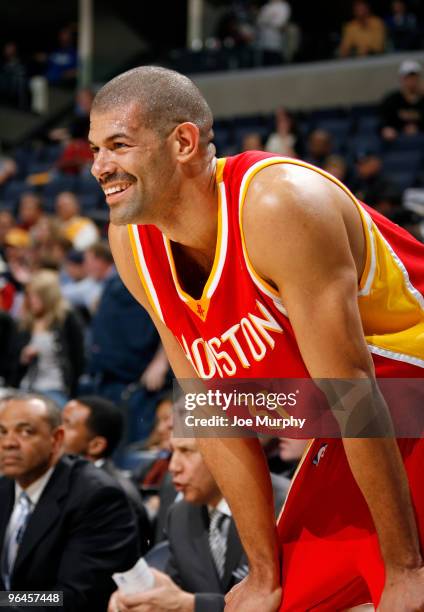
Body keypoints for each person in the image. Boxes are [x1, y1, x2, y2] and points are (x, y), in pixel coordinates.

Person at [89, 66, 424, 611]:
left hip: (402, 394)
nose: (100, 167)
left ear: (182, 141)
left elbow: (353, 390)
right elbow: (210, 408)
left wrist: (406, 568)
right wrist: (264, 575)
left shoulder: (278, 203)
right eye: (95, 149)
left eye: (118, 145)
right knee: (284, 600)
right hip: (353, 426)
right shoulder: (130, 242)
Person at [0, 392, 139, 611]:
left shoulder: (96, 496)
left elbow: (73, 597)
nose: (8, 443)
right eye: (2, 432)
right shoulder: (5, 486)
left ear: (56, 440)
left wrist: (4, 602)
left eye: (26, 432)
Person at [109, 437, 250, 612]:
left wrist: (192, 605)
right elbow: (175, 589)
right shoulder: (179, 514)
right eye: (172, 452)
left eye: (187, 451)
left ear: (225, 452)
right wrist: (142, 595)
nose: (173, 466)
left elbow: (273, 601)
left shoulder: (279, 510)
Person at [62, 395, 151, 553]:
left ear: (96, 445)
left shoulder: (114, 493)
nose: (57, 430)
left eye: (67, 425)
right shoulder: (65, 477)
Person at [13, 269, 85, 406]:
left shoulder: (67, 319)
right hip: (26, 386)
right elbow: (11, 362)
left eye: (36, 296)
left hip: (55, 388)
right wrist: (23, 358)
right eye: (30, 296)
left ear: (48, 296)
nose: (31, 301)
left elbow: (78, 359)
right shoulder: (25, 322)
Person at [379, 59, 424, 141]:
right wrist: (386, 129)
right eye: (407, 77)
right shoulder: (392, 100)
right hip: (397, 141)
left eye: (414, 77)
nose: (411, 81)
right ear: (401, 79)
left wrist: (418, 128)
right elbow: (383, 121)